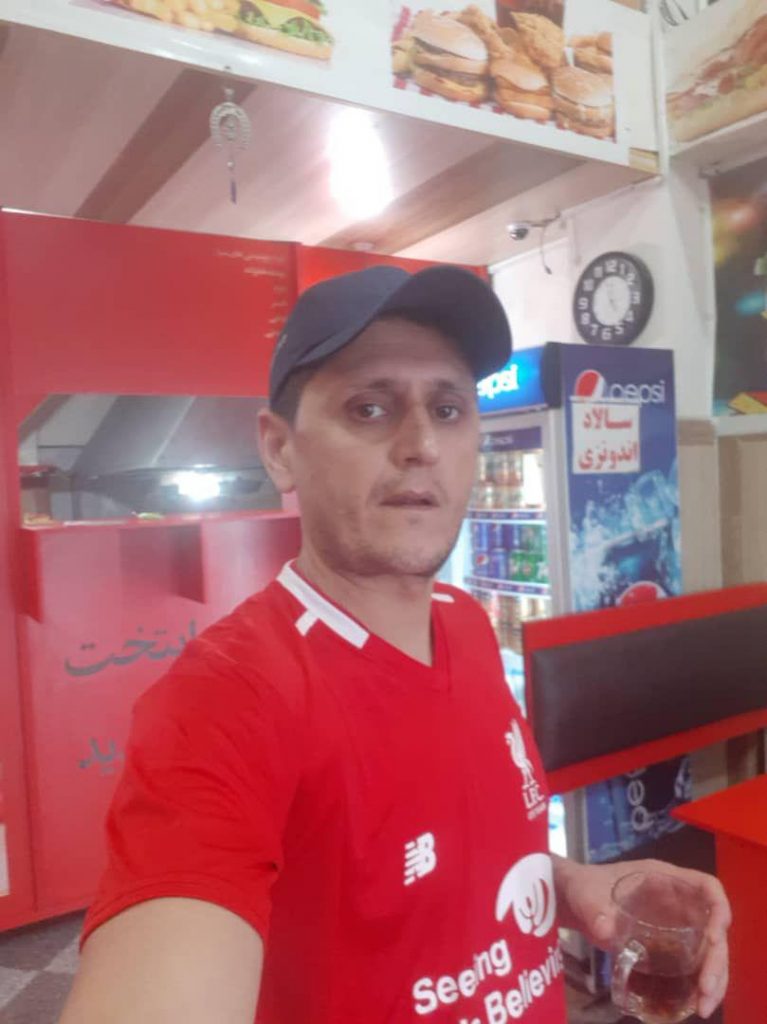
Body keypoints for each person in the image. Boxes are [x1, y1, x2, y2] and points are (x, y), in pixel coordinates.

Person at [59, 266, 730, 1024]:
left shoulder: (464, 623)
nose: (421, 444)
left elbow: (442, 859)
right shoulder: (222, 701)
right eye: (369, 408)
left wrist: (571, 885)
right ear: (279, 449)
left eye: (448, 409)